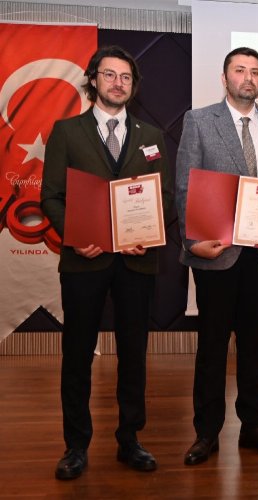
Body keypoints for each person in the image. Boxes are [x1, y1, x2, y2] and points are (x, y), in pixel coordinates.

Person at [41, 45, 173, 479]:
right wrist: (76, 236)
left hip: (136, 261)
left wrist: (147, 234)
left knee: (134, 354)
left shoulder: (152, 136)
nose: (119, 83)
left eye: (126, 77)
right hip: (85, 261)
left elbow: (164, 197)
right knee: (78, 354)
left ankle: (130, 439)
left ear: (134, 86)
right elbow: (51, 197)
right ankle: (75, 446)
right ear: (93, 80)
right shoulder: (67, 132)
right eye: (110, 75)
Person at [175, 47, 258, 466]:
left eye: (255, 72)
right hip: (216, 251)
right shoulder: (199, 121)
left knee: (254, 345)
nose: (249, 78)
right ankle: (206, 433)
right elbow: (184, 186)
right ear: (225, 77)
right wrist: (192, 240)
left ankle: (254, 427)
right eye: (240, 70)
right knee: (212, 345)